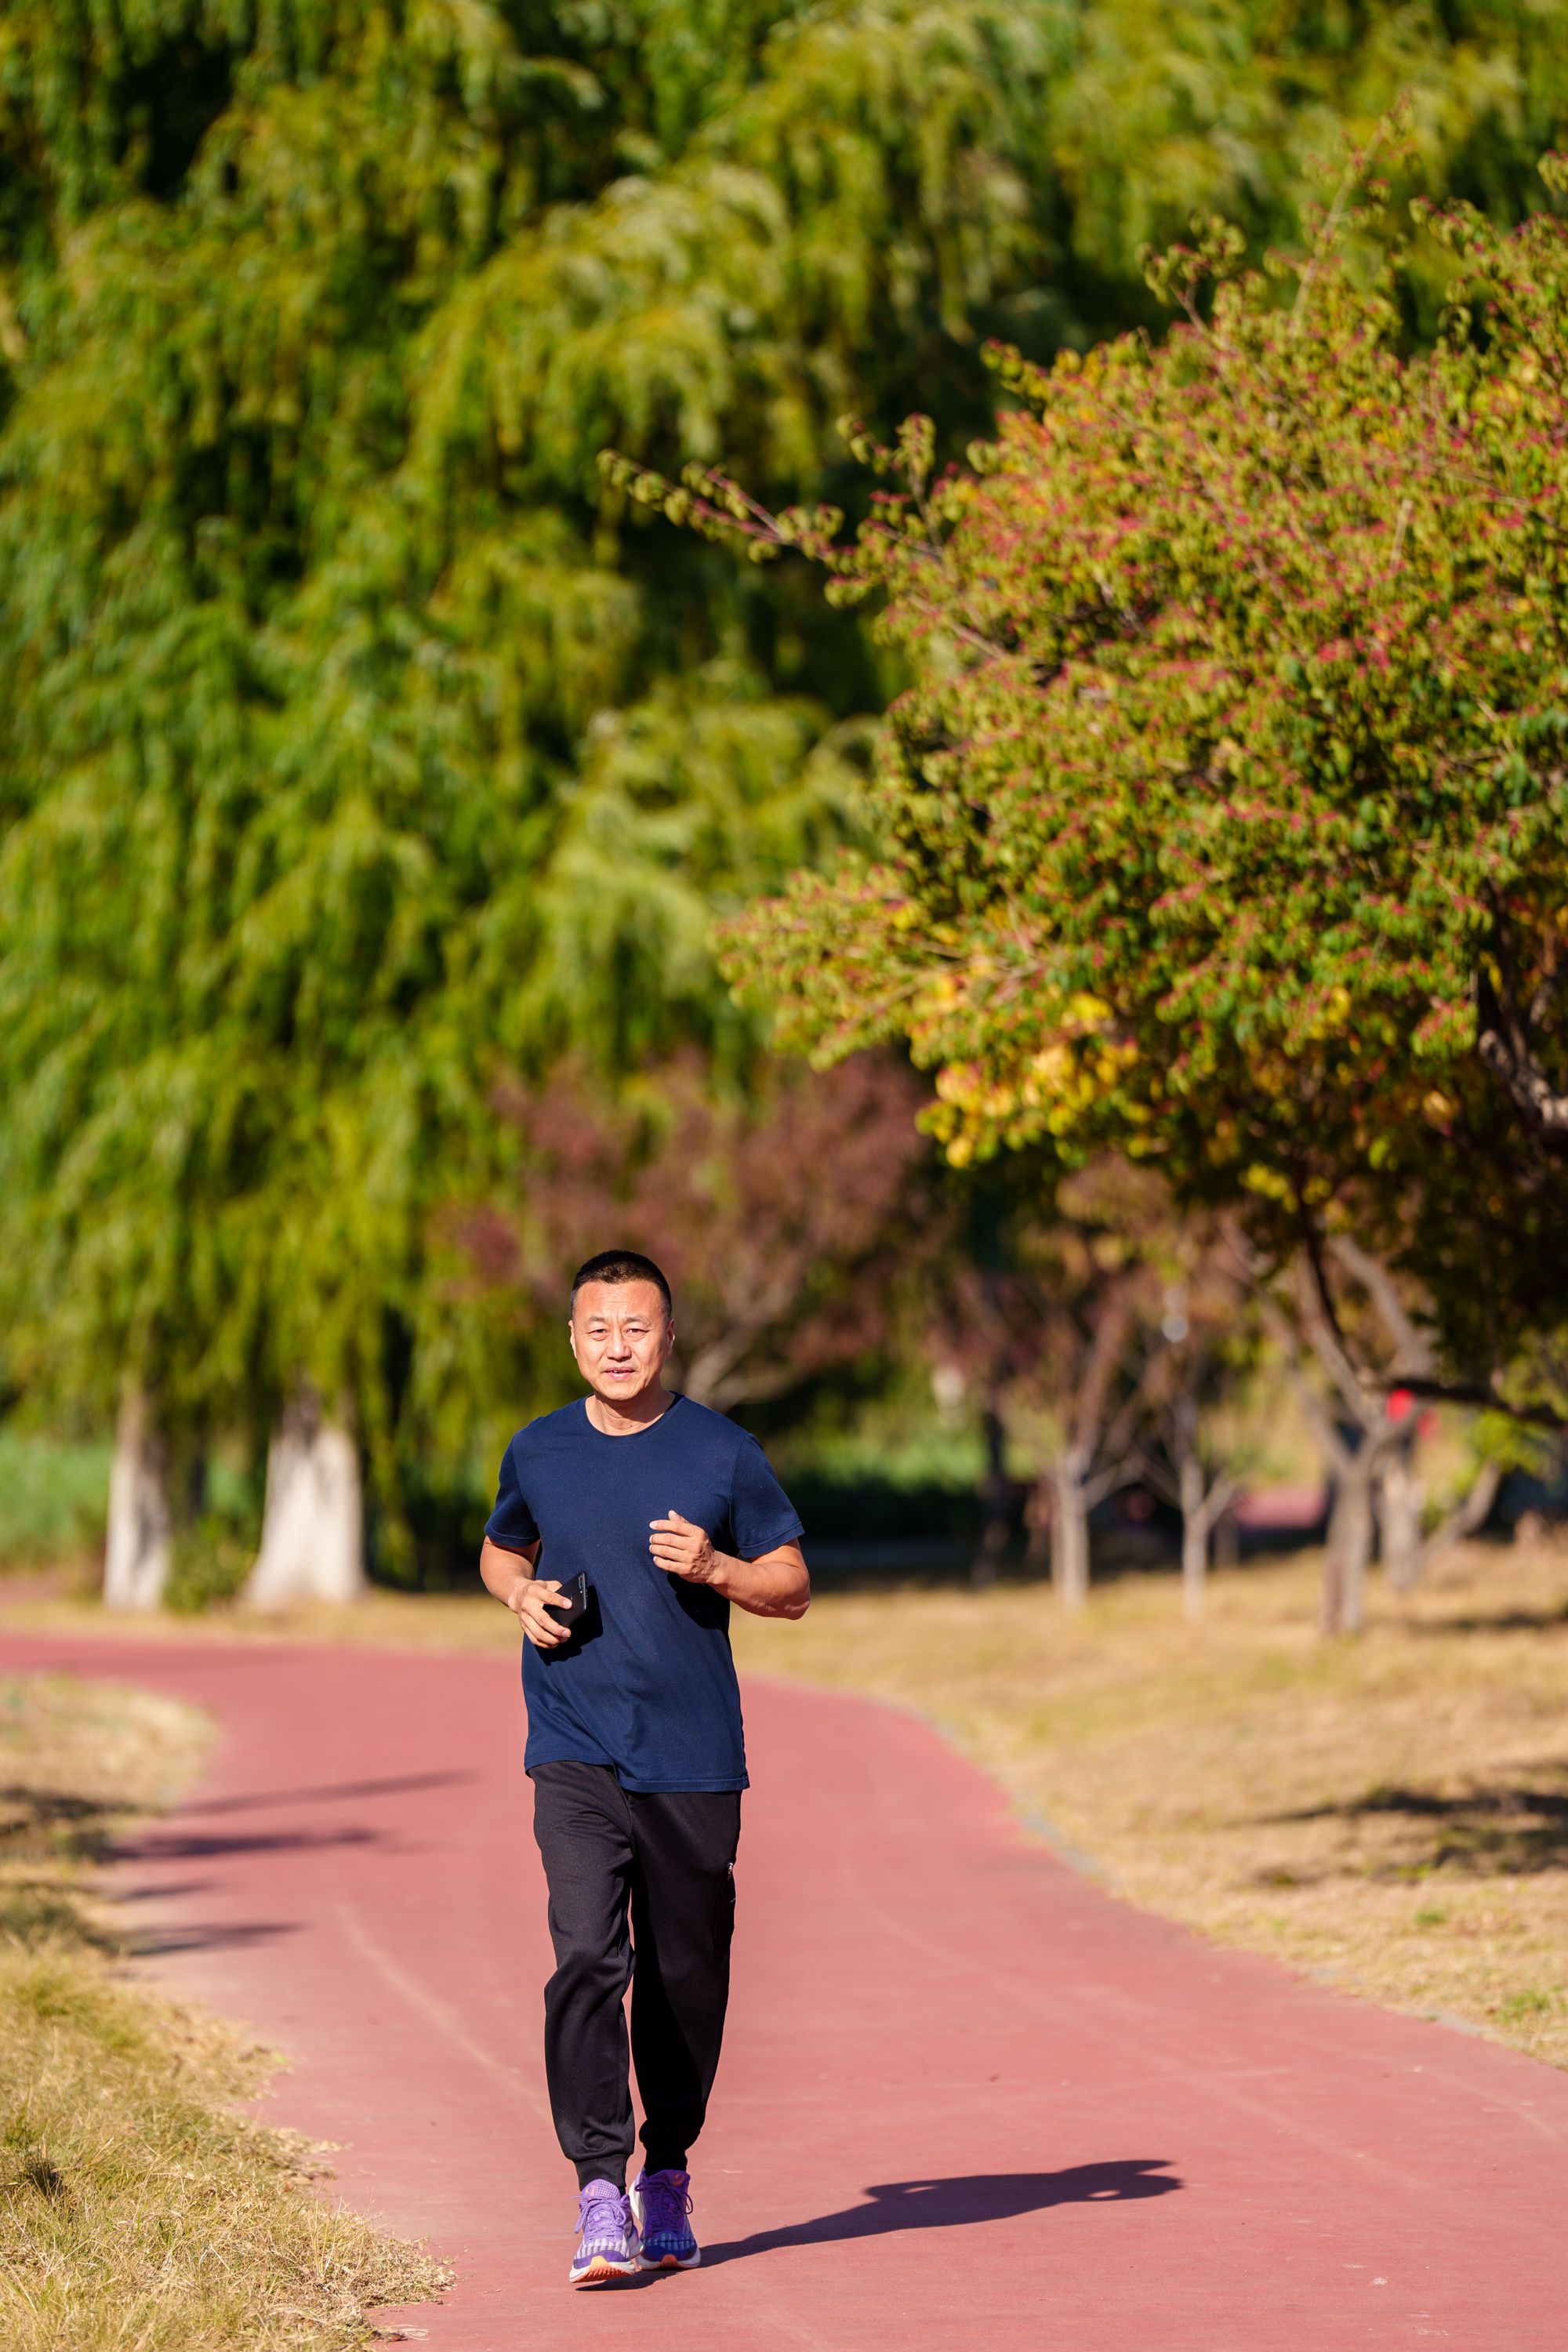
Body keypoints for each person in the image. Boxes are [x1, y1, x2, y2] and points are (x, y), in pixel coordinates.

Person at [479, 1248, 810, 2287]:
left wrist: (717, 1567)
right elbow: (502, 1548)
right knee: (586, 1953)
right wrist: (518, 1595)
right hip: (573, 1744)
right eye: (598, 1329)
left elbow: (793, 1585)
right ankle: (597, 2189)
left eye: (636, 1328)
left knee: (683, 1971)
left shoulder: (723, 1453)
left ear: (667, 1335)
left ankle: (666, 2171)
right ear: (573, 1339)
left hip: (691, 1755)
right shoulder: (538, 1449)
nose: (617, 1347)